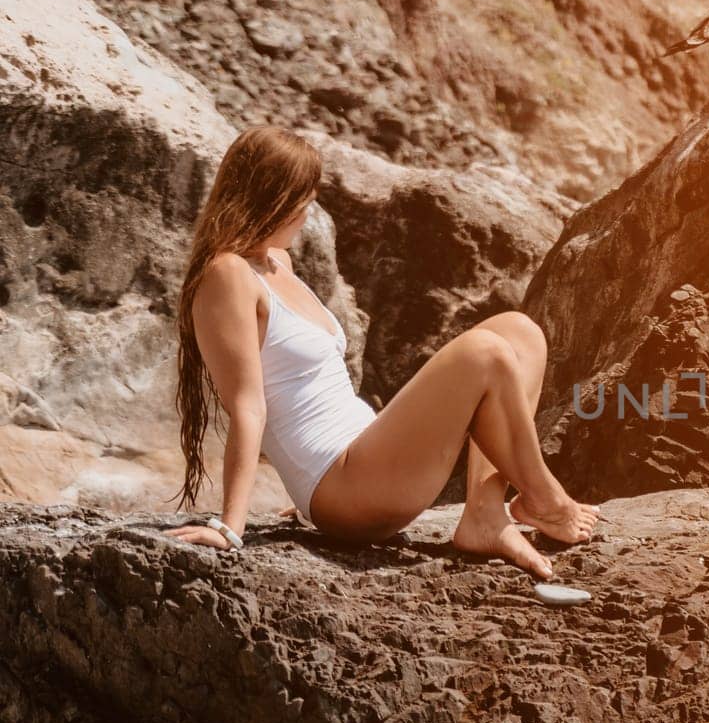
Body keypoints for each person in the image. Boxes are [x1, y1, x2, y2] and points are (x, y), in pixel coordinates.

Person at [162, 126, 598, 578]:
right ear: (273, 197)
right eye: (303, 201)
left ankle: (485, 513)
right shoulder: (226, 274)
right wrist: (232, 526)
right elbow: (248, 405)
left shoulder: (277, 262)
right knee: (483, 352)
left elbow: (311, 388)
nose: (306, 214)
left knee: (519, 331)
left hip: (366, 461)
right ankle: (546, 500)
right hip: (344, 487)